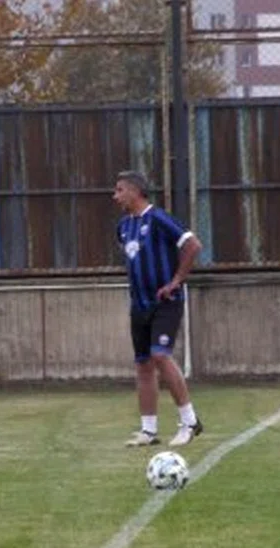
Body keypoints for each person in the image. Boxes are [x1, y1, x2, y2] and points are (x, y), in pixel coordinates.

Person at [111, 170, 205, 448]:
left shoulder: (159, 218)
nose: (115, 196)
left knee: (160, 355)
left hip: (165, 302)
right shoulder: (123, 226)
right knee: (143, 364)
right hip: (138, 304)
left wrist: (175, 281)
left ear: (135, 191)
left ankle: (190, 422)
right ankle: (148, 431)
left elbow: (192, 245)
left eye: (119, 190)